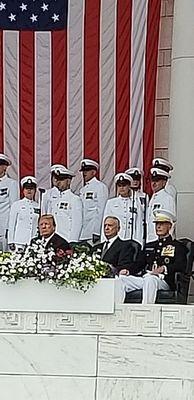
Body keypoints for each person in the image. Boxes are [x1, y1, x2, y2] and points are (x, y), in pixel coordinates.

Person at [118, 209, 187, 304]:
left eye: (162, 224)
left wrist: (164, 268)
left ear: (170, 226)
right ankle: (119, 311)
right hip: (147, 278)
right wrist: (128, 270)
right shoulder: (150, 246)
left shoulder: (177, 246)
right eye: (157, 224)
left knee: (150, 280)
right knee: (121, 279)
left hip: (164, 281)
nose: (158, 226)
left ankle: (146, 311)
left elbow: (181, 265)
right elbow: (139, 264)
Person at [102, 173, 143, 245]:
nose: (122, 188)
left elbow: (139, 225)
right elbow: (105, 223)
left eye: (124, 185)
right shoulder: (111, 203)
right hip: (116, 240)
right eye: (119, 186)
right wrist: (104, 241)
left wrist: (139, 243)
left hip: (130, 240)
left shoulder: (136, 203)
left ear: (129, 186)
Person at [46, 165, 82, 243]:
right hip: (52, 239)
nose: (58, 182)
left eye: (62, 179)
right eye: (57, 179)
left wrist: (73, 241)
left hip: (66, 239)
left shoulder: (74, 199)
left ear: (68, 181)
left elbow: (77, 223)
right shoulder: (53, 198)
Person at [79, 158, 108, 244]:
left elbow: (101, 210)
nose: (84, 173)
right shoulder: (82, 190)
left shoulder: (100, 187)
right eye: (83, 171)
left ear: (94, 172)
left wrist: (97, 231)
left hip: (92, 232)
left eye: (87, 170)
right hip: (82, 232)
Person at [8, 176, 40, 251]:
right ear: (23, 190)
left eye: (31, 188)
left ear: (35, 190)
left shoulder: (38, 205)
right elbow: (12, 224)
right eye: (27, 188)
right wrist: (11, 241)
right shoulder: (17, 205)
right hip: (19, 241)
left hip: (33, 242)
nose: (29, 191)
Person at [147, 168, 176, 242]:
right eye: (153, 180)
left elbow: (171, 221)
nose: (154, 183)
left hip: (161, 239)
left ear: (164, 182)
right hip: (150, 239)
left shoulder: (167, 198)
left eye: (157, 181)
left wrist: (167, 241)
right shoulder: (152, 198)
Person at [125, 167, 149, 245]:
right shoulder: (124, 196)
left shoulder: (144, 196)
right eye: (133, 179)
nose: (135, 182)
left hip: (139, 231)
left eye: (137, 179)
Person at [0, 153, 19, 251]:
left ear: (5, 167)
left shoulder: (11, 184)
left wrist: (10, 228)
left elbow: (14, 207)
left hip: (4, 227)